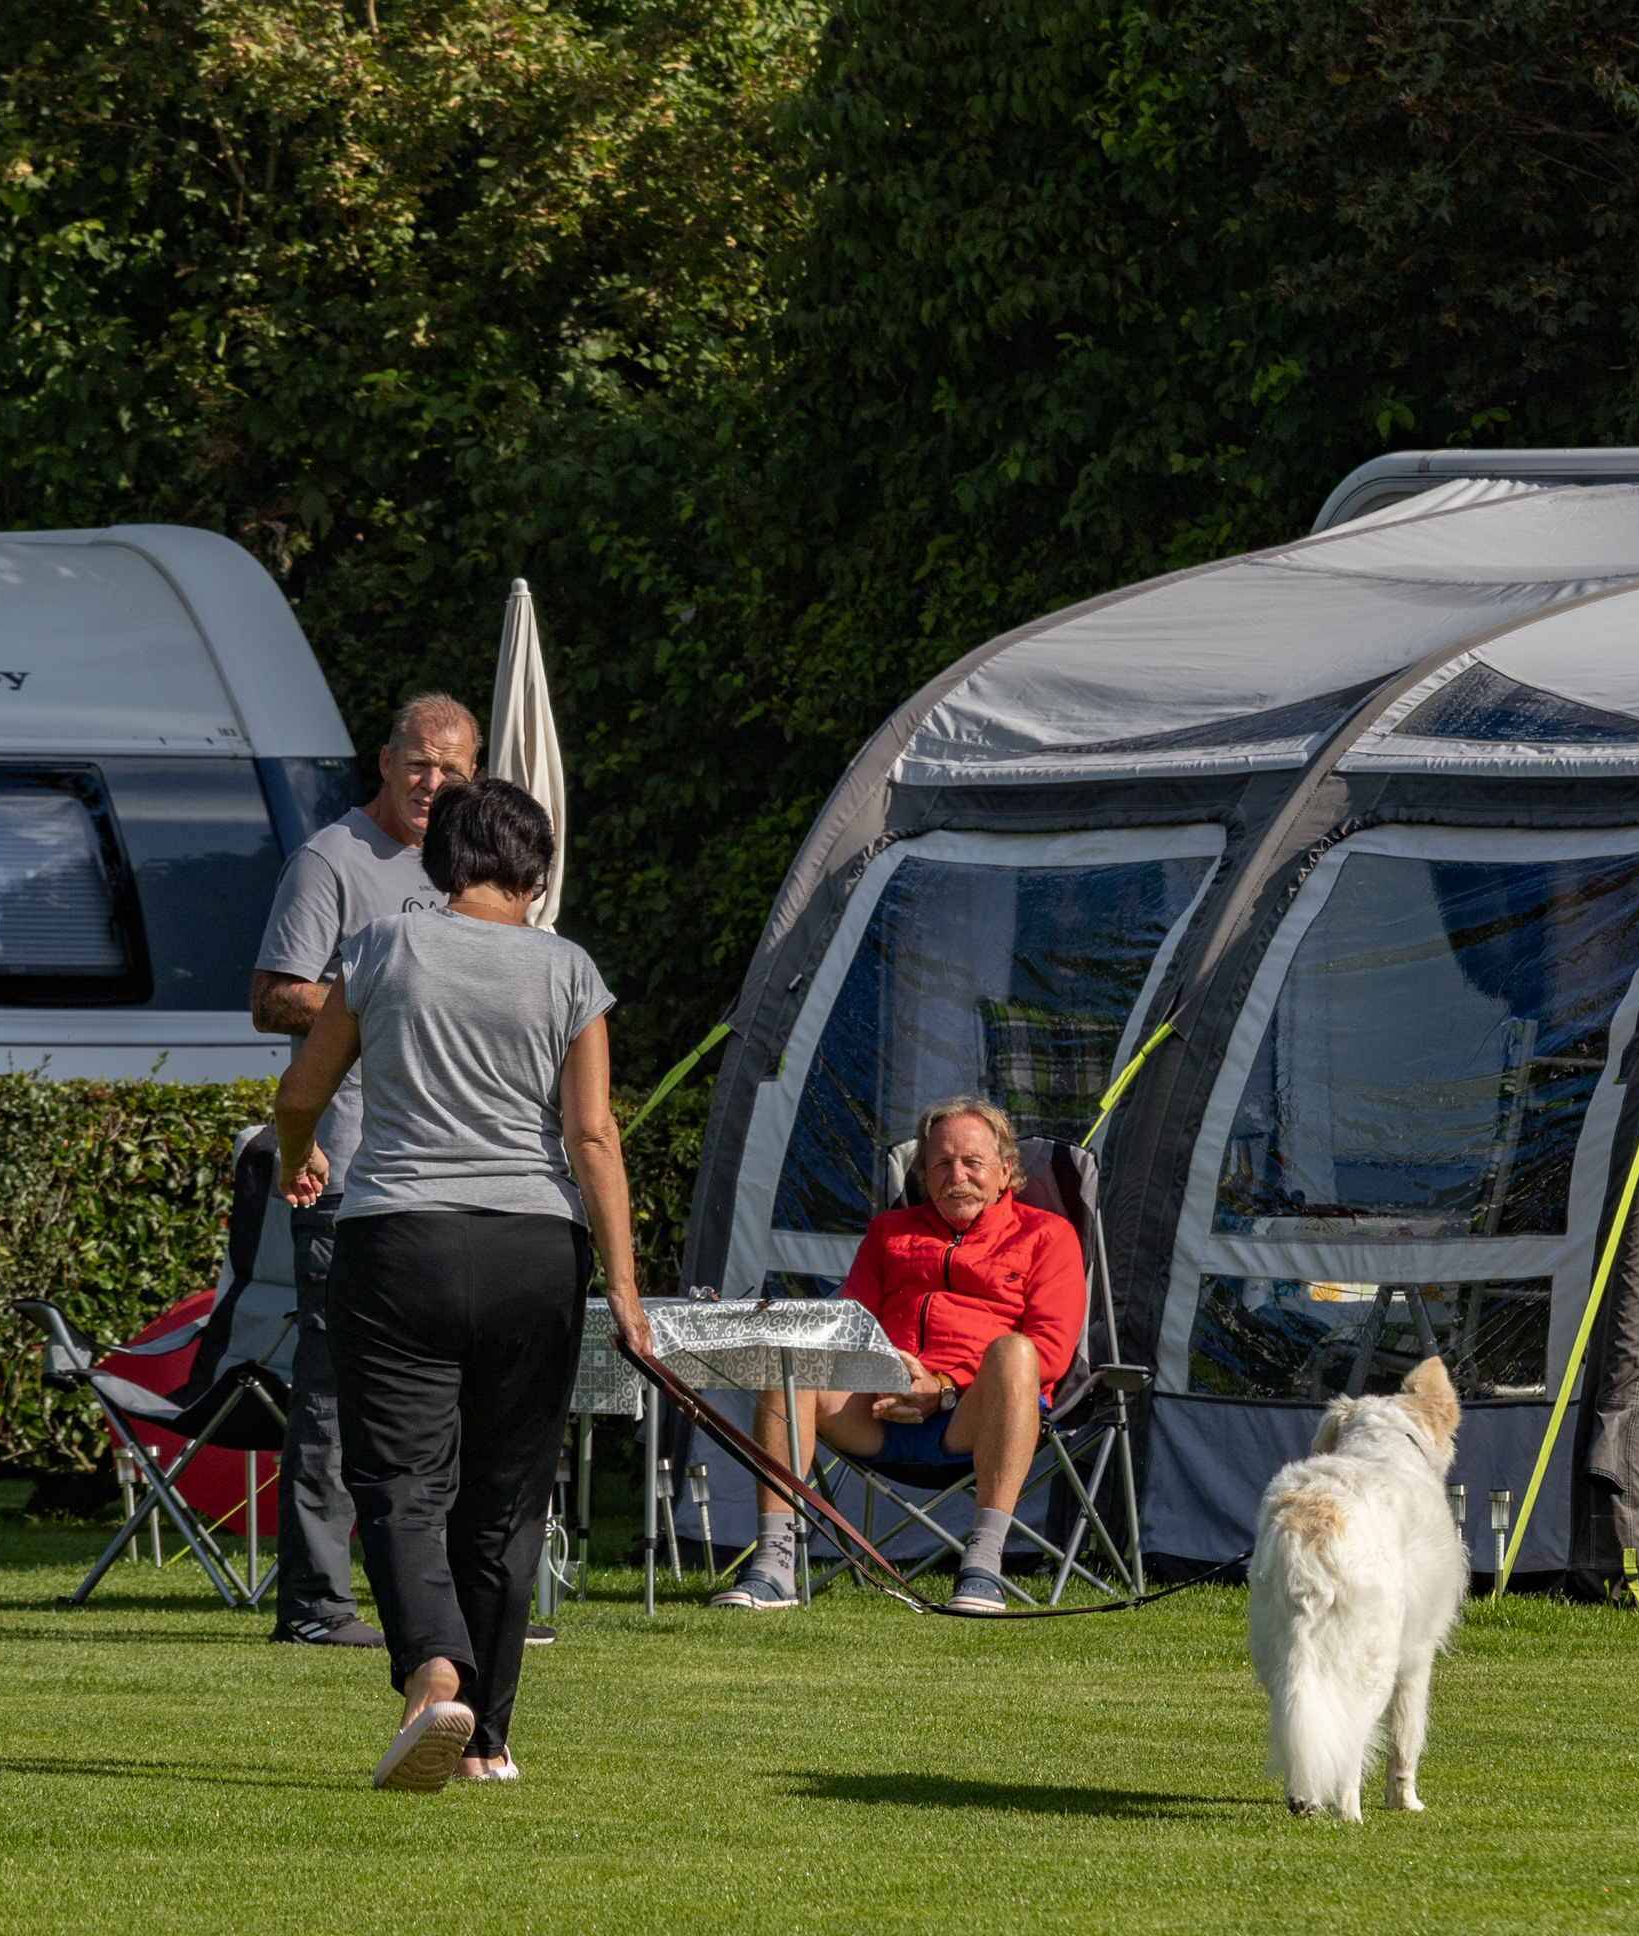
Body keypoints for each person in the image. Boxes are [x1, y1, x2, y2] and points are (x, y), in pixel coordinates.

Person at [272, 779, 651, 1791]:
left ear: (441, 863)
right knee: (507, 1499)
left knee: (400, 1481)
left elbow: (303, 1085)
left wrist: (294, 1157)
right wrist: (623, 1286)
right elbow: (592, 1135)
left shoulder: (384, 945)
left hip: (397, 1237)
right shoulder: (569, 968)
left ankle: (434, 1669)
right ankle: (488, 1740)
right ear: (536, 869)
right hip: (536, 1246)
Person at [249, 693, 481, 1647]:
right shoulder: (331, 861)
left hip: (449, 1170)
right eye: (419, 764)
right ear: (383, 763)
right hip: (344, 1173)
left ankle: (438, 1598)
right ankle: (313, 1603)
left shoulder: (470, 869)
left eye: (453, 771)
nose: (433, 784)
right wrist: (379, 1002)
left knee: (446, 1397)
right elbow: (271, 998)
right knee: (335, 1393)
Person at [713, 1095, 1081, 1616]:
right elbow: (846, 1324)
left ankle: (983, 1564)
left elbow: (1053, 1349)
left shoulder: (1047, 1235)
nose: (958, 1175)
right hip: (878, 1407)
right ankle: (775, 1565)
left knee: (1016, 1350)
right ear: (924, 1173)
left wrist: (944, 1386)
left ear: (1005, 1171)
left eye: (973, 1162)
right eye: (942, 1163)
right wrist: (889, 1374)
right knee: (794, 1354)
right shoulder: (890, 1233)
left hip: (975, 1415)